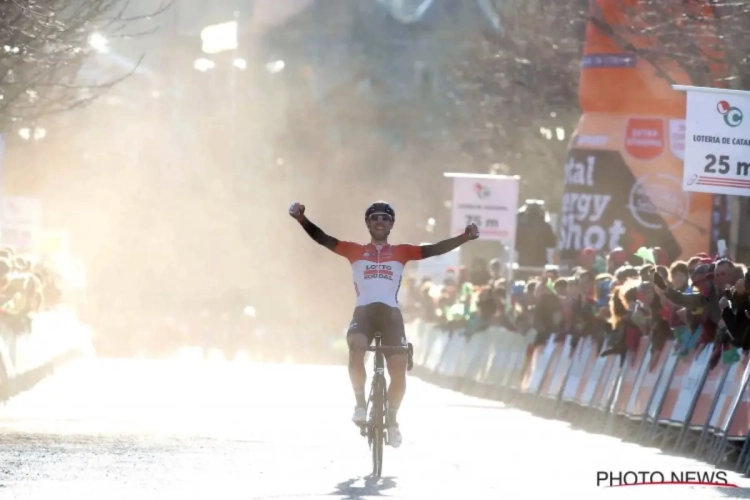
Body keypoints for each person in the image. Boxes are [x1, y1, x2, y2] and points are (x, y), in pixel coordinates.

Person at [289, 200, 479, 448]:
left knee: (398, 371)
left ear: (391, 225)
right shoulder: (353, 250)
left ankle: (392, 420)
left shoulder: (402, 252)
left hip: (390, 315)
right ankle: (359, 404)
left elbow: (435, 249)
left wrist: (464, 237)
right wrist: (302, 219)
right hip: (364, 314)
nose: (379, 221)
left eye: (385, 218)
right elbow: (324, 239)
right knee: (356, 349)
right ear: (368, 223)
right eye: (375, 218)